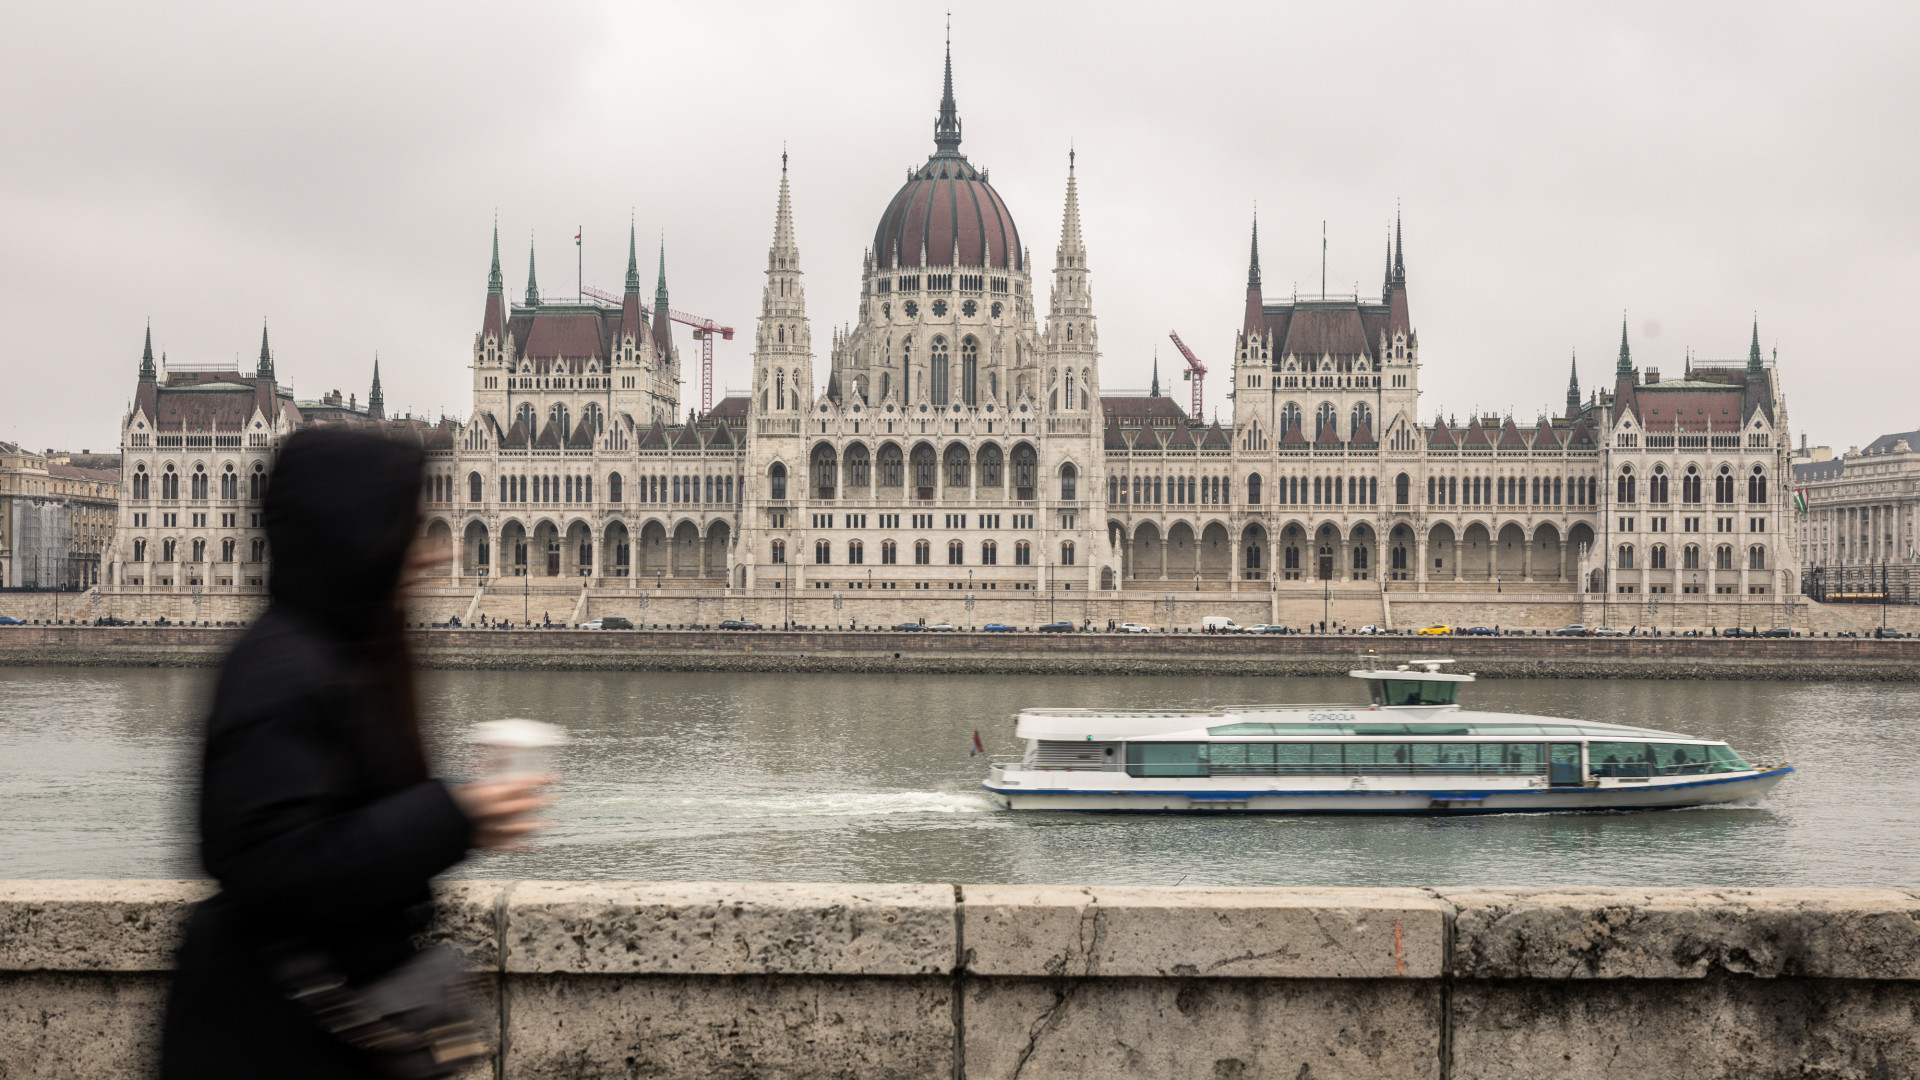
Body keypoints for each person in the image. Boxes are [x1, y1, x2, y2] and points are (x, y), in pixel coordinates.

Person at [162, 429, 549, 1079]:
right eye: (411, 529)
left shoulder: (342, 654)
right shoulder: (284, 670)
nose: (431, 554)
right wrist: (454, 816)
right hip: (268, 1043)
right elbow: (278, 864)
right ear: (357, 538)